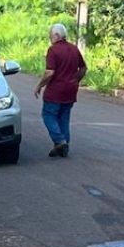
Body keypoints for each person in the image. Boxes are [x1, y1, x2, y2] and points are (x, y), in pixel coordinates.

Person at [34, 24, 87, 157]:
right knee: (64, 117)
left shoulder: (53, 50)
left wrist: (39, 85)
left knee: (48, 115)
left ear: (57, 36)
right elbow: (83, 68)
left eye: (50, 36)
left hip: (55, 90)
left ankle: (60, 140)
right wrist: (76, 80)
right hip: (70, 90)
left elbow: (50, 72)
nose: (50, 38)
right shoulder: (74, 49)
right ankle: (63, 145)